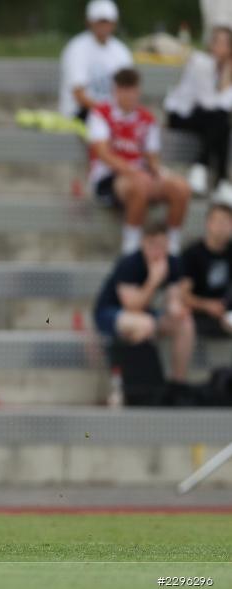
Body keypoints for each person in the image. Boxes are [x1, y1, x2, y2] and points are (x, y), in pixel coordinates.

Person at [88, 68, 191, 255]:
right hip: (110, 178)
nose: (128, 95)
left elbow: (152, 157)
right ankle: (131, 246)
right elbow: (103, 154)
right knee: (140, 185)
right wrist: (134, 172)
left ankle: (172, 245)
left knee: (181, 187)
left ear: (138, 90)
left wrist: (159, 172)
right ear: (115, 91)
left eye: (132, 89)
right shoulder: (100, 114)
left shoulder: (147, 118)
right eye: (123, 89)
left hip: (140, 176)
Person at [93, 222, 193, 385]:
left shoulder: (172, 263)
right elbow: (132, 306)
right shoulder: (129, 263)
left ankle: (178, 385)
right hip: (111, 313)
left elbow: (173, 300)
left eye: (162, 245)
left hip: (147, 314)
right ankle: (134, 383)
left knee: (184, 324)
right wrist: (153, 281)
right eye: (152, 245)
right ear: (143, 243)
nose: (157, 251)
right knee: (145, 325)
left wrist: (177, 310)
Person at [165, 26, 232, 203]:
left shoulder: (227, 69)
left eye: (225, 43)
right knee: (220, 121)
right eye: (216, 41)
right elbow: (208, 102)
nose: (219, 46)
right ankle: (221, 180)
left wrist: (226, 71)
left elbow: (224, 103)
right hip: (182, 114)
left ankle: (202, 169)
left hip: (208, 120)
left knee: (221, 122)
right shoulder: (200, 62)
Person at [59, 0, 133, 120]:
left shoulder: (122, 52)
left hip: (110, 115)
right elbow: (79, 94)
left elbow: (127, 90)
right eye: (99, 21)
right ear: (89, 22)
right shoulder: (77, 48)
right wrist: (107, 114)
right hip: (80, 113)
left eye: (106, 22)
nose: (103, 26)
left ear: (114, 23)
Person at [181, 202, 232, 337]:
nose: (223, 227)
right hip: (199, 314)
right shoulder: (192, 254)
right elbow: (184, 295)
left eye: (228, 222)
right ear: (208, 223)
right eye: (219, 221)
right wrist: (207, 305)